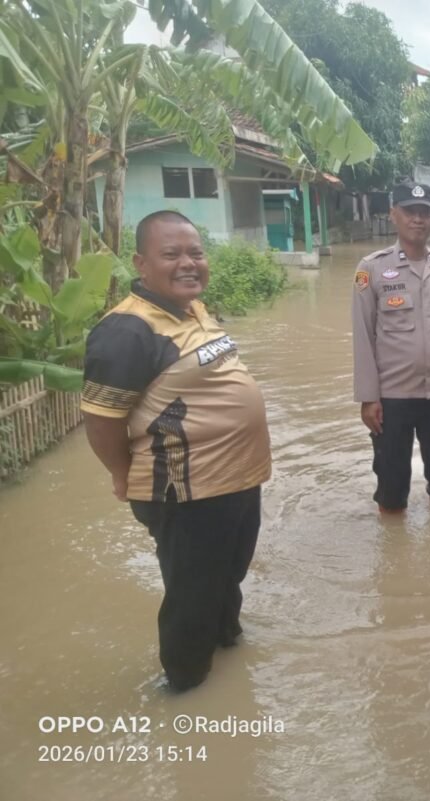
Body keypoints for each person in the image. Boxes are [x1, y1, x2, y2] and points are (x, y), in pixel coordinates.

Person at [81, 210, 272, 691]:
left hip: (234, 480)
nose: (188, 263)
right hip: (185, 491)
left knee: (226, 574)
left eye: (195, 252)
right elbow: (102, 420)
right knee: (192, 592)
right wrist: (122, 475)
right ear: (141, 263)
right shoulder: (127, 331)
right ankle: (186, 689)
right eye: (172, 255)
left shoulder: (192, 309)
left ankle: (226, 644)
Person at [352, 183, 430, 512]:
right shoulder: (371, 268)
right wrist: (368, 397)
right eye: (409, 211)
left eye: (425, 212)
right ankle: (393, 553)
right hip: (392, 397)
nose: (418, 219)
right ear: (394, 215)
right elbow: (362, 335)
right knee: (391, 485)